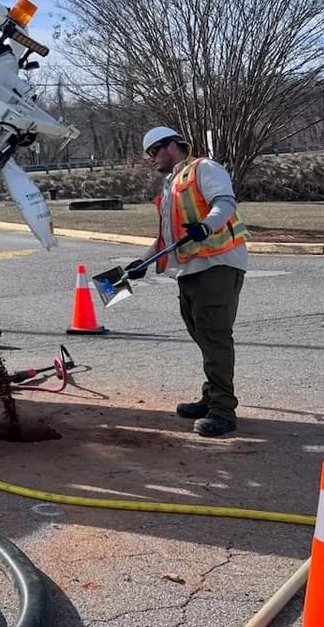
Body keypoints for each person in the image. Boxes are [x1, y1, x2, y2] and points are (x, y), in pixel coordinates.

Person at [126, 127, 248, 437]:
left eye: (154, 152)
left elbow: (225, 203)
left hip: (217, 264)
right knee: (203, 336)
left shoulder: (203, 169)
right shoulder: (172, 186)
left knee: (215, 336)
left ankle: (223, 410)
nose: (152, 160)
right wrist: (142, 262)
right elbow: (168, 237)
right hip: (190, 270)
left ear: (171, 146)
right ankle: (211, 397)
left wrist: (206, 226)